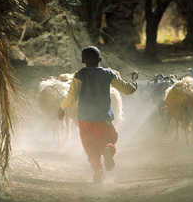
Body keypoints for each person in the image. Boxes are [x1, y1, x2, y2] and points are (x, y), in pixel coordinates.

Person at [57, 46, 138, 184]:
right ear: (100, 60)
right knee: (109, 139)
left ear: (82, 61)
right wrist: (134, 80)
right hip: (103, 119)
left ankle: (98, 174)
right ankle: (107, 148)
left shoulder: (79, 75)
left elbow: (72, 96)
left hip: (84, 120)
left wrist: (62, 108)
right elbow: (128, 90)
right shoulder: (108, 74)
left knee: (91, 149)